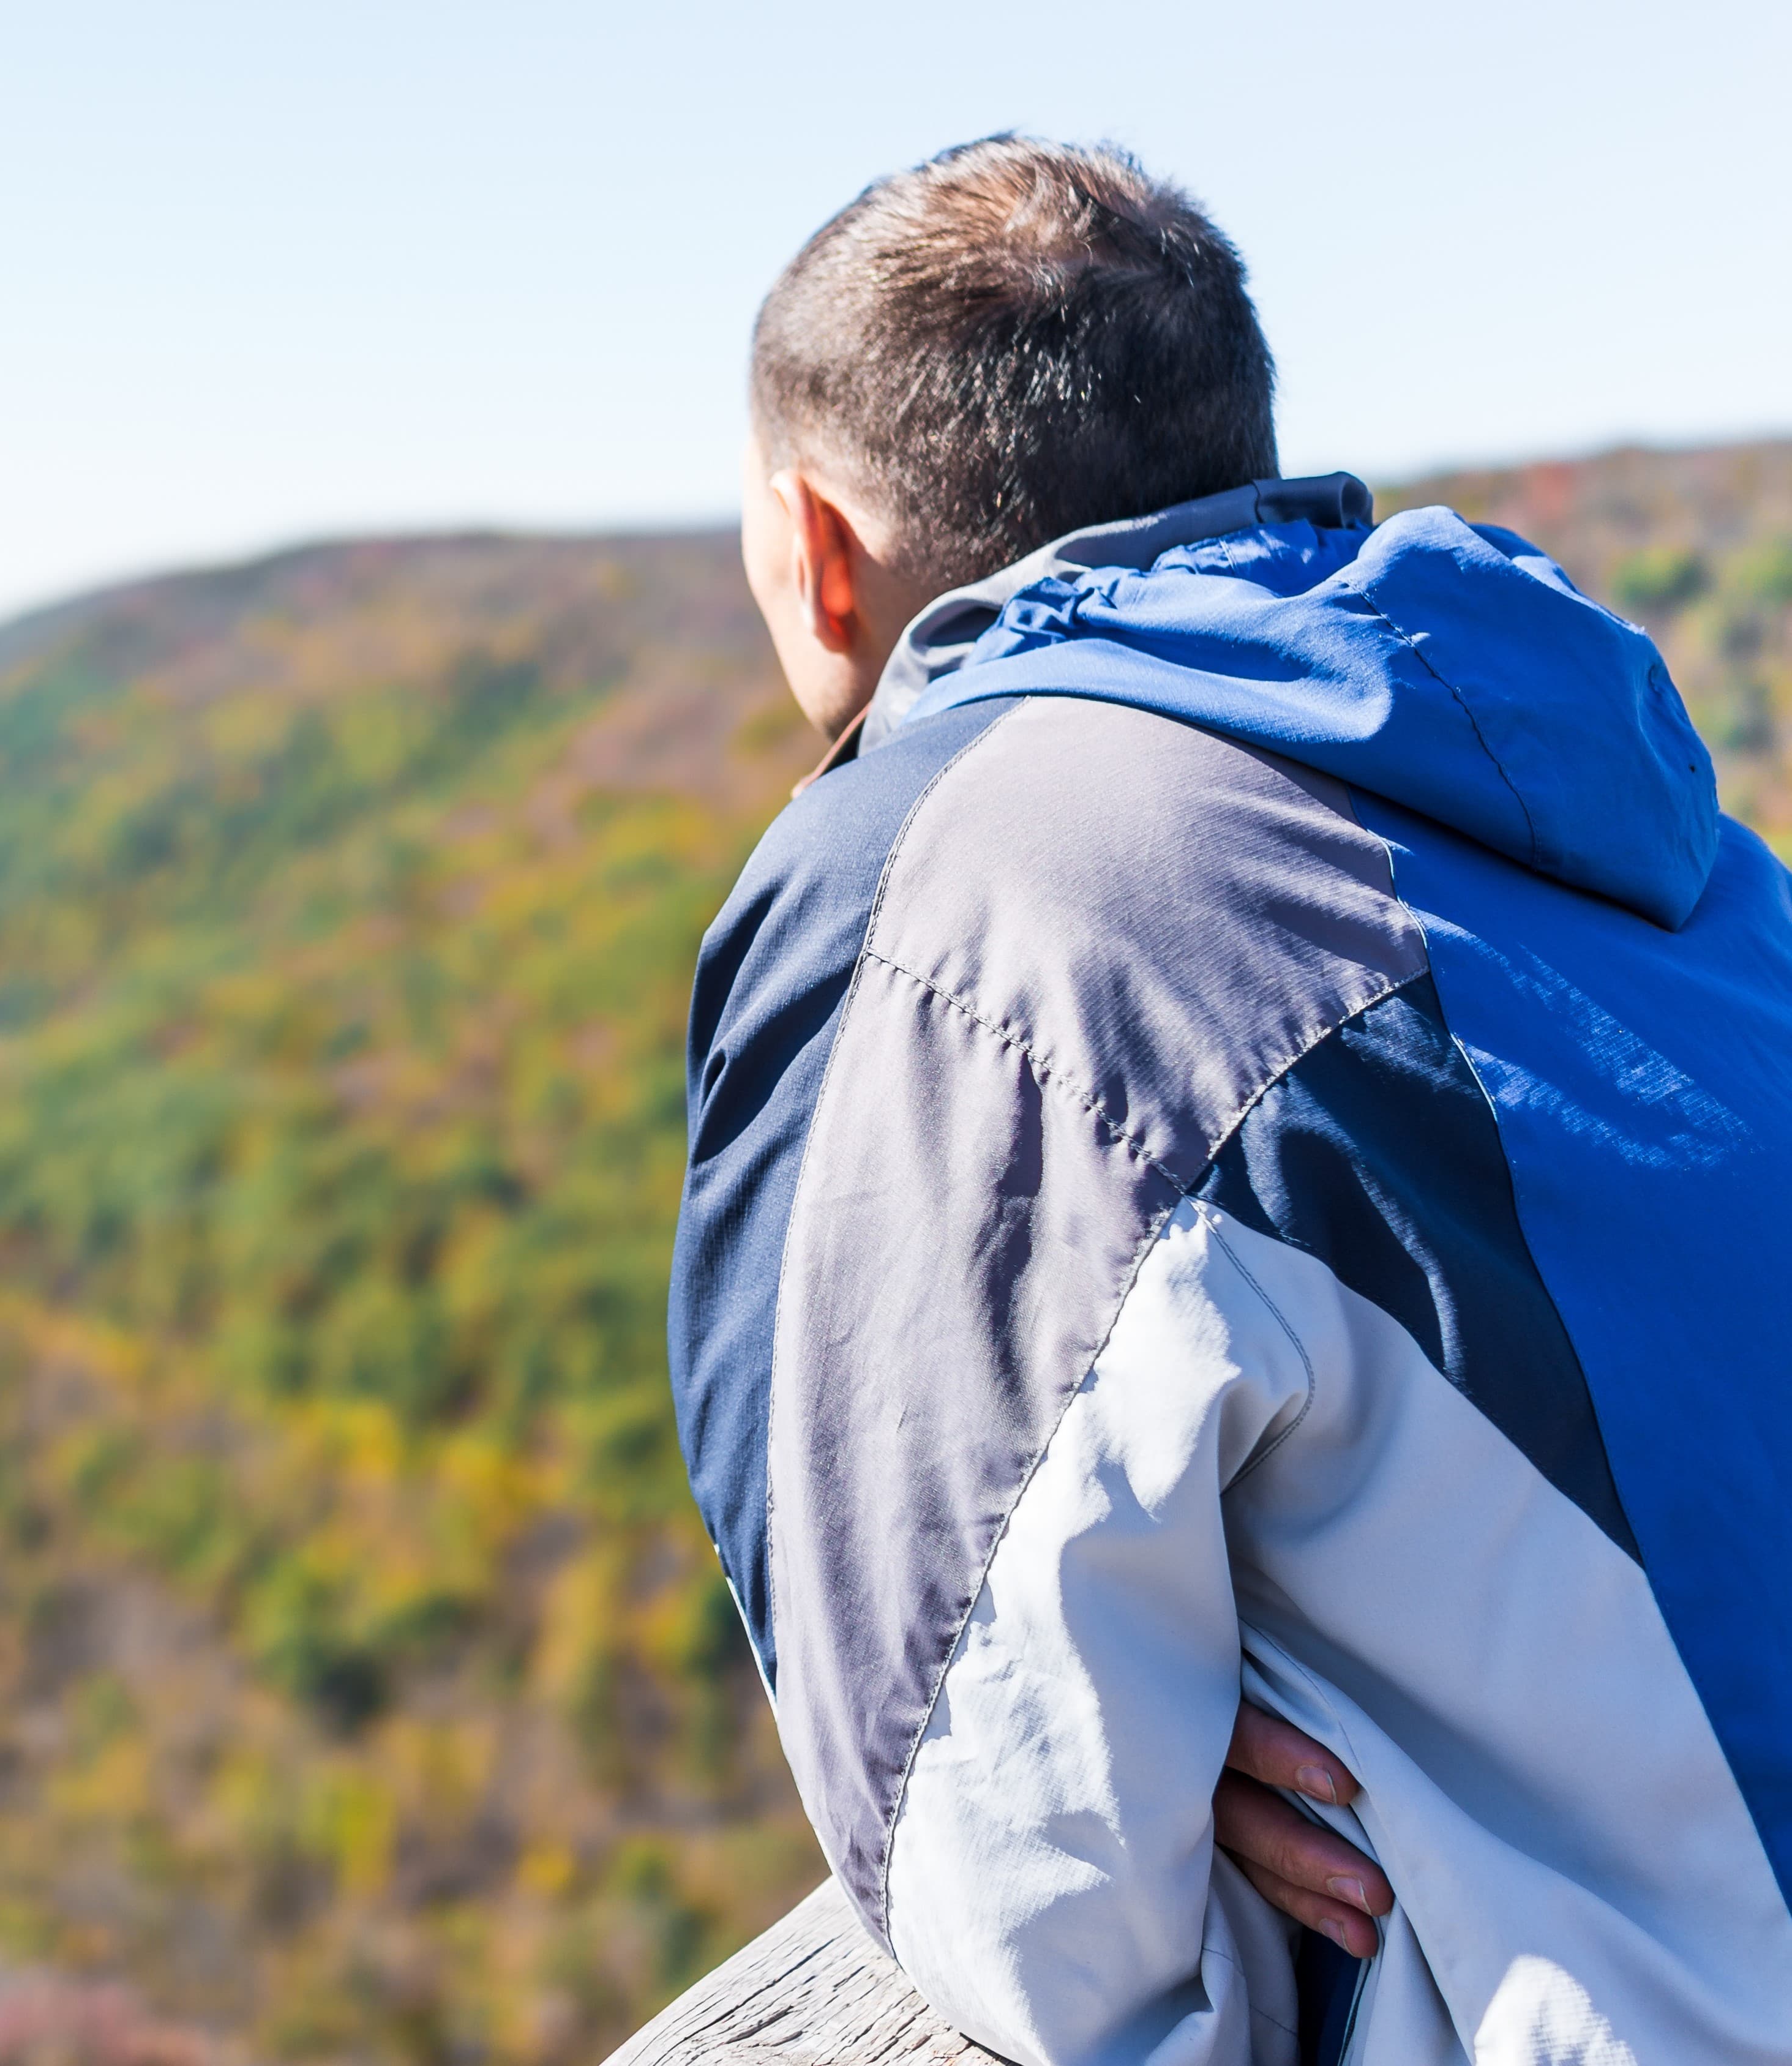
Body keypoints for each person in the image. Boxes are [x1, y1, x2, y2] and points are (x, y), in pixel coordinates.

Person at [667, 136, 1792, 2063]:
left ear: (816, 547)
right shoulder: (1623, 802)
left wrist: (1180, 1730)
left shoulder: (969, 883)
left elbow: (1011, 1869)